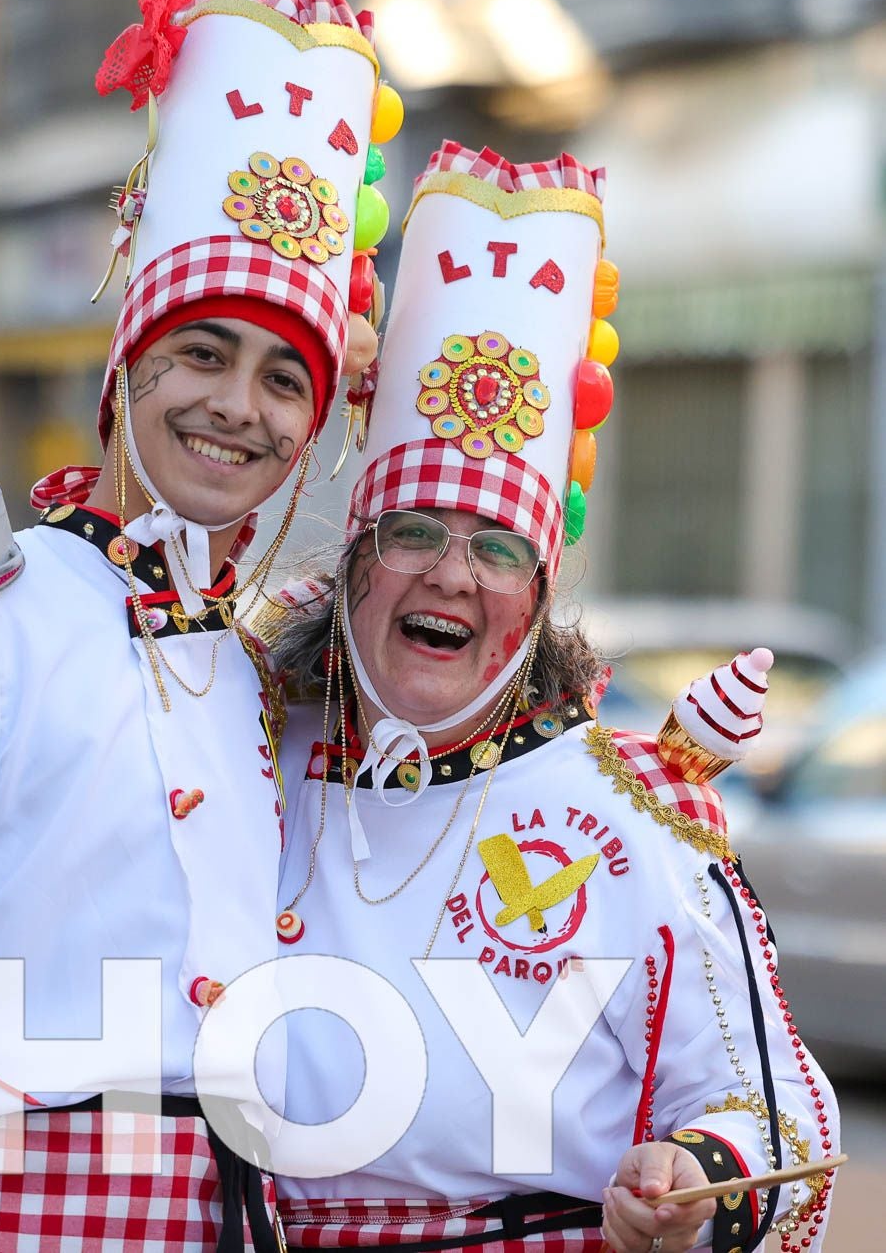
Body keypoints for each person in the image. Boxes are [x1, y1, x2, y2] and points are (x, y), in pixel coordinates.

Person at [0, 0, 396, 1252]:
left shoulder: (261, 668)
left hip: (230, 1210)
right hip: (20, 1210)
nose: (239, 406)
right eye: (203, 353)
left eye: (285, 379)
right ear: (125, 363)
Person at [265, 144, 839, 1253]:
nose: (448, 575)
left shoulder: (630, 816)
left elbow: (778, 1116)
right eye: (413, 534)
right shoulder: (246, 758)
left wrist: (694, 1177)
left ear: (535, 597)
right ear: (352, 566)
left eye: (493, 549)